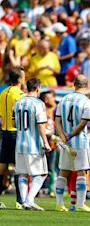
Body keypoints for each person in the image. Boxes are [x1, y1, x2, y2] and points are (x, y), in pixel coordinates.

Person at [54, 75, 90, 213]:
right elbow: (83, 122)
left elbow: (57, 120)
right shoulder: (87, 102)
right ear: (86, 84)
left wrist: (62, 135)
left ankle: (59, 204)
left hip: (65, 141)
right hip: (80, 141)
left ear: (74, 84)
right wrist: (71, 135)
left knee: (63, 172)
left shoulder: (64, 99)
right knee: (82, 171)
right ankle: (80, 203)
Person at [13, 78, 50, 211]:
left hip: (19, 144)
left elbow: (13, 123)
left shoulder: (18, 103)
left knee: (22, 174)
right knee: (42, 174)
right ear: (38, 88)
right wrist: (46, 142)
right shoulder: (38, 104)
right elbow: (41, 125)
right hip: (33, 145)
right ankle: (29, 200)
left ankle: (23, 201)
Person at [0, 67, 25, 209]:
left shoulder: (3, 93)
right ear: (20, 79)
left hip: (4, 132)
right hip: (16, 133)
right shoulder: (20, 95)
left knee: (2, 165)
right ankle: (19, 201)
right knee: (18, 166)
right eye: (24, 76)